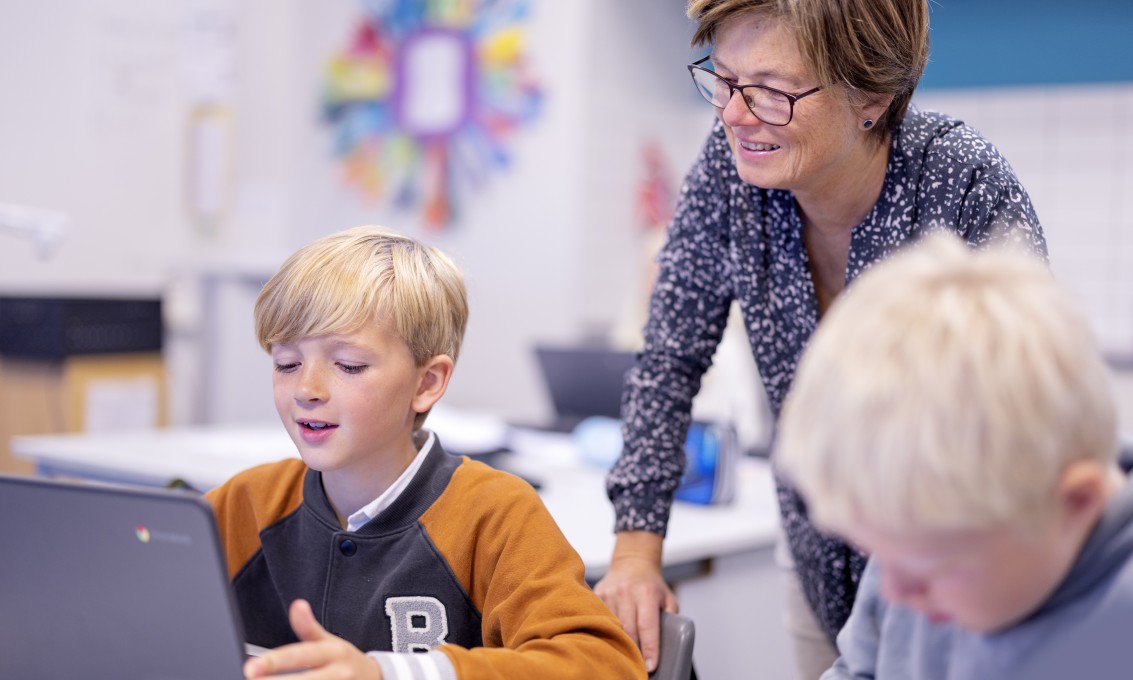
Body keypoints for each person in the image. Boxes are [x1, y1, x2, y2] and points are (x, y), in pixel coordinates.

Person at [596, 0, 1048, 677]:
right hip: (814, 550)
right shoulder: (729, 175)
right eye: (722, 79)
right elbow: (669, 357)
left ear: (871, 95)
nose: (734, 113)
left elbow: (1023, 424)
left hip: (956, 569)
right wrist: (634, 552)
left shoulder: (962, 187)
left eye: (772, 92)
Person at [206, 226, 645, 680]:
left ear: (427, 382)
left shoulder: (492, 515)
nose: (307, 389)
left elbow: (605, 665)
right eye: (287, 363)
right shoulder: (246, 503)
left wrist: (393, 674)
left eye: (348, 365)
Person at [774, 232, 1133, 679]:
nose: (894, 592)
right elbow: (860, 669)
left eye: (932, 572)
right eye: (884, 557)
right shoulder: (919, 547)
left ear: (1076, 502)